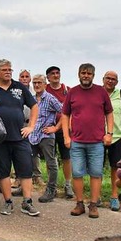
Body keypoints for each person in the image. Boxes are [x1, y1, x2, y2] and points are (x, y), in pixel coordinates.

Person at [61, 63, 113, 219]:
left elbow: (109, 113)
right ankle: (79, 204)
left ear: (93, 76)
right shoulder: (72, 92)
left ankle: (93, 204)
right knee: (77, 173)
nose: (86, 76)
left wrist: (109, 133)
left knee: (96, 173)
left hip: (97, 141)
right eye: (83, 73)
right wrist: (66, 136)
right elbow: (65, 115)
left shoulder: (101, 92)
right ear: (79, 74)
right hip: (77, 141)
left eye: (89, 73)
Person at [0, 59, 40, 217]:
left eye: (10, 70)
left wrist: (31, 126)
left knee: (26, 171)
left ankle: (27, 202)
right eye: (4, 69)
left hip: (20, 137)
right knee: (3, 172)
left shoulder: (19, 87)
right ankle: (8, 202)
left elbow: (34, 106)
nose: (8, 72)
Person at [30, 74, 62, 203]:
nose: (37, 85)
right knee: (28, 161)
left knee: (51, 163)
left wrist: (55, 128)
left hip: (46, 135)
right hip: (33, 135)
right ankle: (25, 186)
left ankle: (51, 190)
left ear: (44, 84)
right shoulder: (32, 99)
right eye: (35, 82)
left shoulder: (50, 98)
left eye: (39, 82)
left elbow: (65, 112)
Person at [102, 71, 121, 212]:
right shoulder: (97, 93)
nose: (110, 81)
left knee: (115, 168)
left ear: (117, 82)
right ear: (103, 79)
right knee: (97, 168)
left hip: (117, 136)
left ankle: (114, 197)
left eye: (113, 79)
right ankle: (97, 196)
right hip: (99, 136)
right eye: (108, 78)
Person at [45, 65, 74, 198]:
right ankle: (51, 185)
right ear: (48, 77)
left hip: (64, 129)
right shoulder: (45, 90)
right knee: (50, 158)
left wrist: (58, 127)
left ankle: (68, 185)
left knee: (66, 158)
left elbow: (68, 112)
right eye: (52, 74)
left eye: (57, 73)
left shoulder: (67, 90)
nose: (55, 75)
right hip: (47, 128)